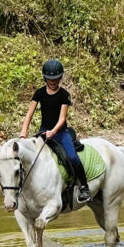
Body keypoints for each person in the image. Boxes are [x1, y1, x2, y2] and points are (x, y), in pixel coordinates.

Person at [20, 59, 91, 203]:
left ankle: (84, 187)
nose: (53, 82)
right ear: (44, 78)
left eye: (56, 79)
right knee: (28, 156)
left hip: (60, 132)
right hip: (43, 131)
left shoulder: (64, 95)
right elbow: (29, 115)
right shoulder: (39, 93)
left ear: (60, 78)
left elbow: (62, 118)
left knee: (72, 157)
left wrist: (53, 131)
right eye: (50, 79)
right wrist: (23, 132)